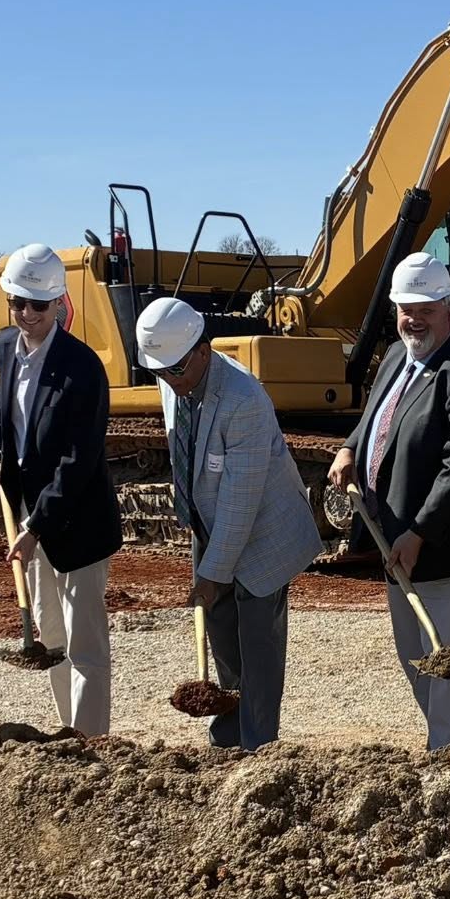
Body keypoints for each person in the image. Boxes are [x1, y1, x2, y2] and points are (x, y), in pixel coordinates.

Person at [328, 253, 450, 750]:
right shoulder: (397, 355)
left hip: (444, 545)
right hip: (394, 538)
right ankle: (445, 742)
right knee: (412, 650)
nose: (415, 319)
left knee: (448, 651)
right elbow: (375, 417)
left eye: (426, 309)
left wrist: (419, 533)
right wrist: (350, 446)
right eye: (406, 309)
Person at [137, 297, 322, 750]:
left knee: (256, 650)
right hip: (211, 525)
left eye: (176, 370)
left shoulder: (243, 399)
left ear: (202, 349)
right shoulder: (173, 376)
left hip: (263, 533)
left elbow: (241, 504)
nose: (169, 380)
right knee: (222, 640)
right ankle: (226, 742)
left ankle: (258, 749)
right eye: (159, 372)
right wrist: (206, 560)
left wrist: (213, 574)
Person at [0, 242, 123, 736]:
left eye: (37, 305)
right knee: (51, 631)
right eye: (17, 303)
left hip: (78, 522)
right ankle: (67, 731)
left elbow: (78, 460)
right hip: (30, 513)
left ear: (59, 305)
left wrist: (36, 526)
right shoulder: (4, 346)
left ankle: (89, 743)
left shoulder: (83, 368)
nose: (26, 314)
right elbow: (2, 409)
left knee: (84, 640)